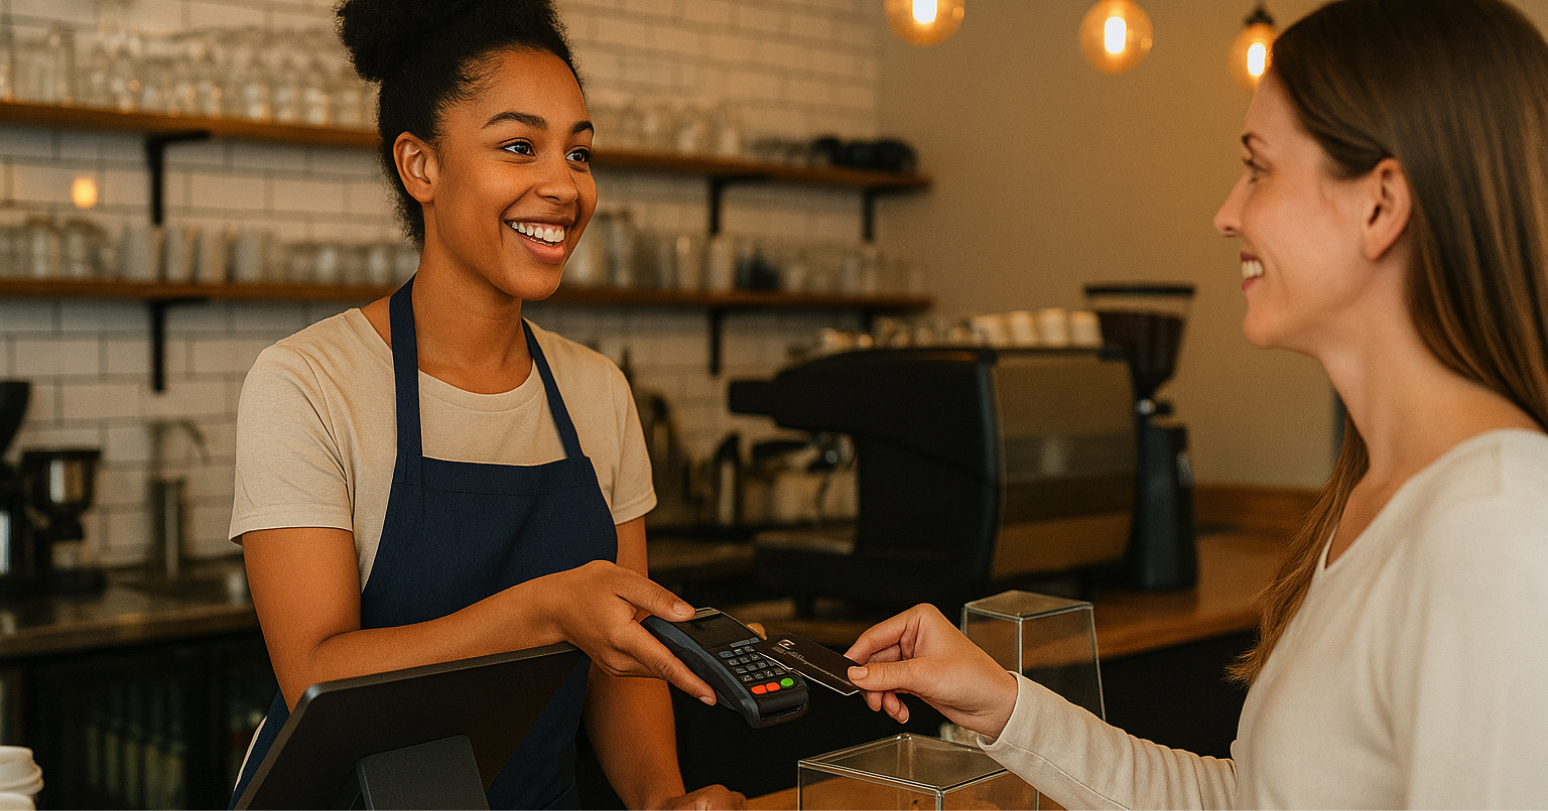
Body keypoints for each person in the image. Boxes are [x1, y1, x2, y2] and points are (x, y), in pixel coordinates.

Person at [843, 0, 1548, 807]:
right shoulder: (1374, 503)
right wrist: (1005, 703)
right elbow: (1255, 799)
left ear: (1381, 204)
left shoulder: (1494, 525)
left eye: (1259, 167)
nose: (1227, 213)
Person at [226, 1, 743, 808]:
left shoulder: (597, 391)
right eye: (517, 146)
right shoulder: (307, 382)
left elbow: (622, 661)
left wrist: (663, 799)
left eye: (579, 152)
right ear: (419, 166)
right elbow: (317, 672)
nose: (563, 185)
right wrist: (544, 609)